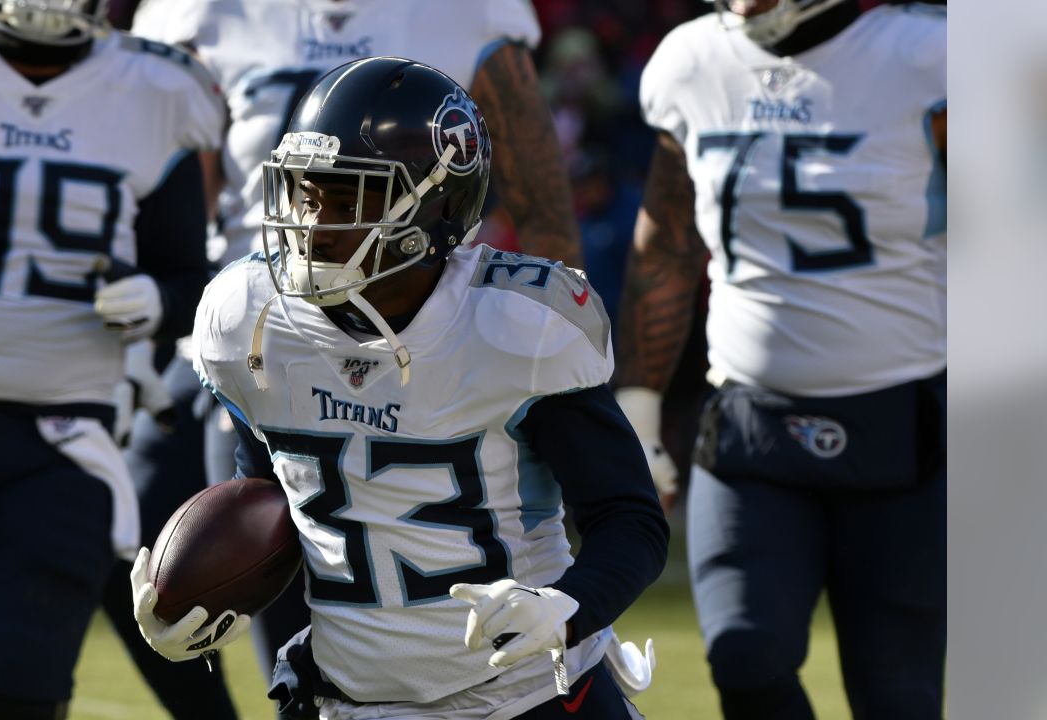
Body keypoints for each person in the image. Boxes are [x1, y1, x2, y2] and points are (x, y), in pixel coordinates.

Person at [130, 57, 669, 720]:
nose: (311, 222)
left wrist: (567, 607)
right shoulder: (251, 314)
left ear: (438, 203)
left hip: (528, 694)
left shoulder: (516, 327)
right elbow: (274, 495)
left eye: (347, 195)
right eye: (304, 191)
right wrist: (205, 590)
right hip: (351, 700)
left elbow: (630, 519)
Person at [0, 1, 224, 717]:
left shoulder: (157, 87)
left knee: (20, 688)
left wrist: (156, 301)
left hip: (61, 438)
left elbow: (190, 278)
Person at [613, 1, 946, 717]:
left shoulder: (931, 58)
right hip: (751, 427)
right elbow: (667, 245)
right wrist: (638, 408)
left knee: (899, 696)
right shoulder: (694, 61)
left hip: (910, 430)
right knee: (745, 658)